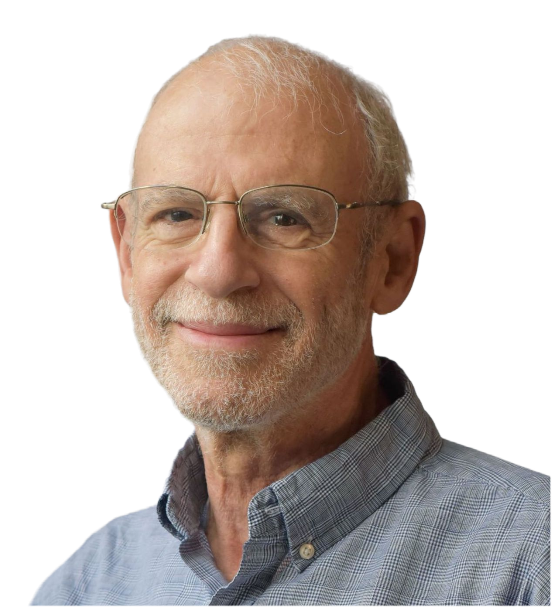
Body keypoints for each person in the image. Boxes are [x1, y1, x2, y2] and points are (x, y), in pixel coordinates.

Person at [30, 34, 551, 607]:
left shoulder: (530, 563)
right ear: (125, 252)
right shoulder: (88, 586)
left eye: (284, 216)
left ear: (393, 260)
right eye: (176, 213)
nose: (218, 271)